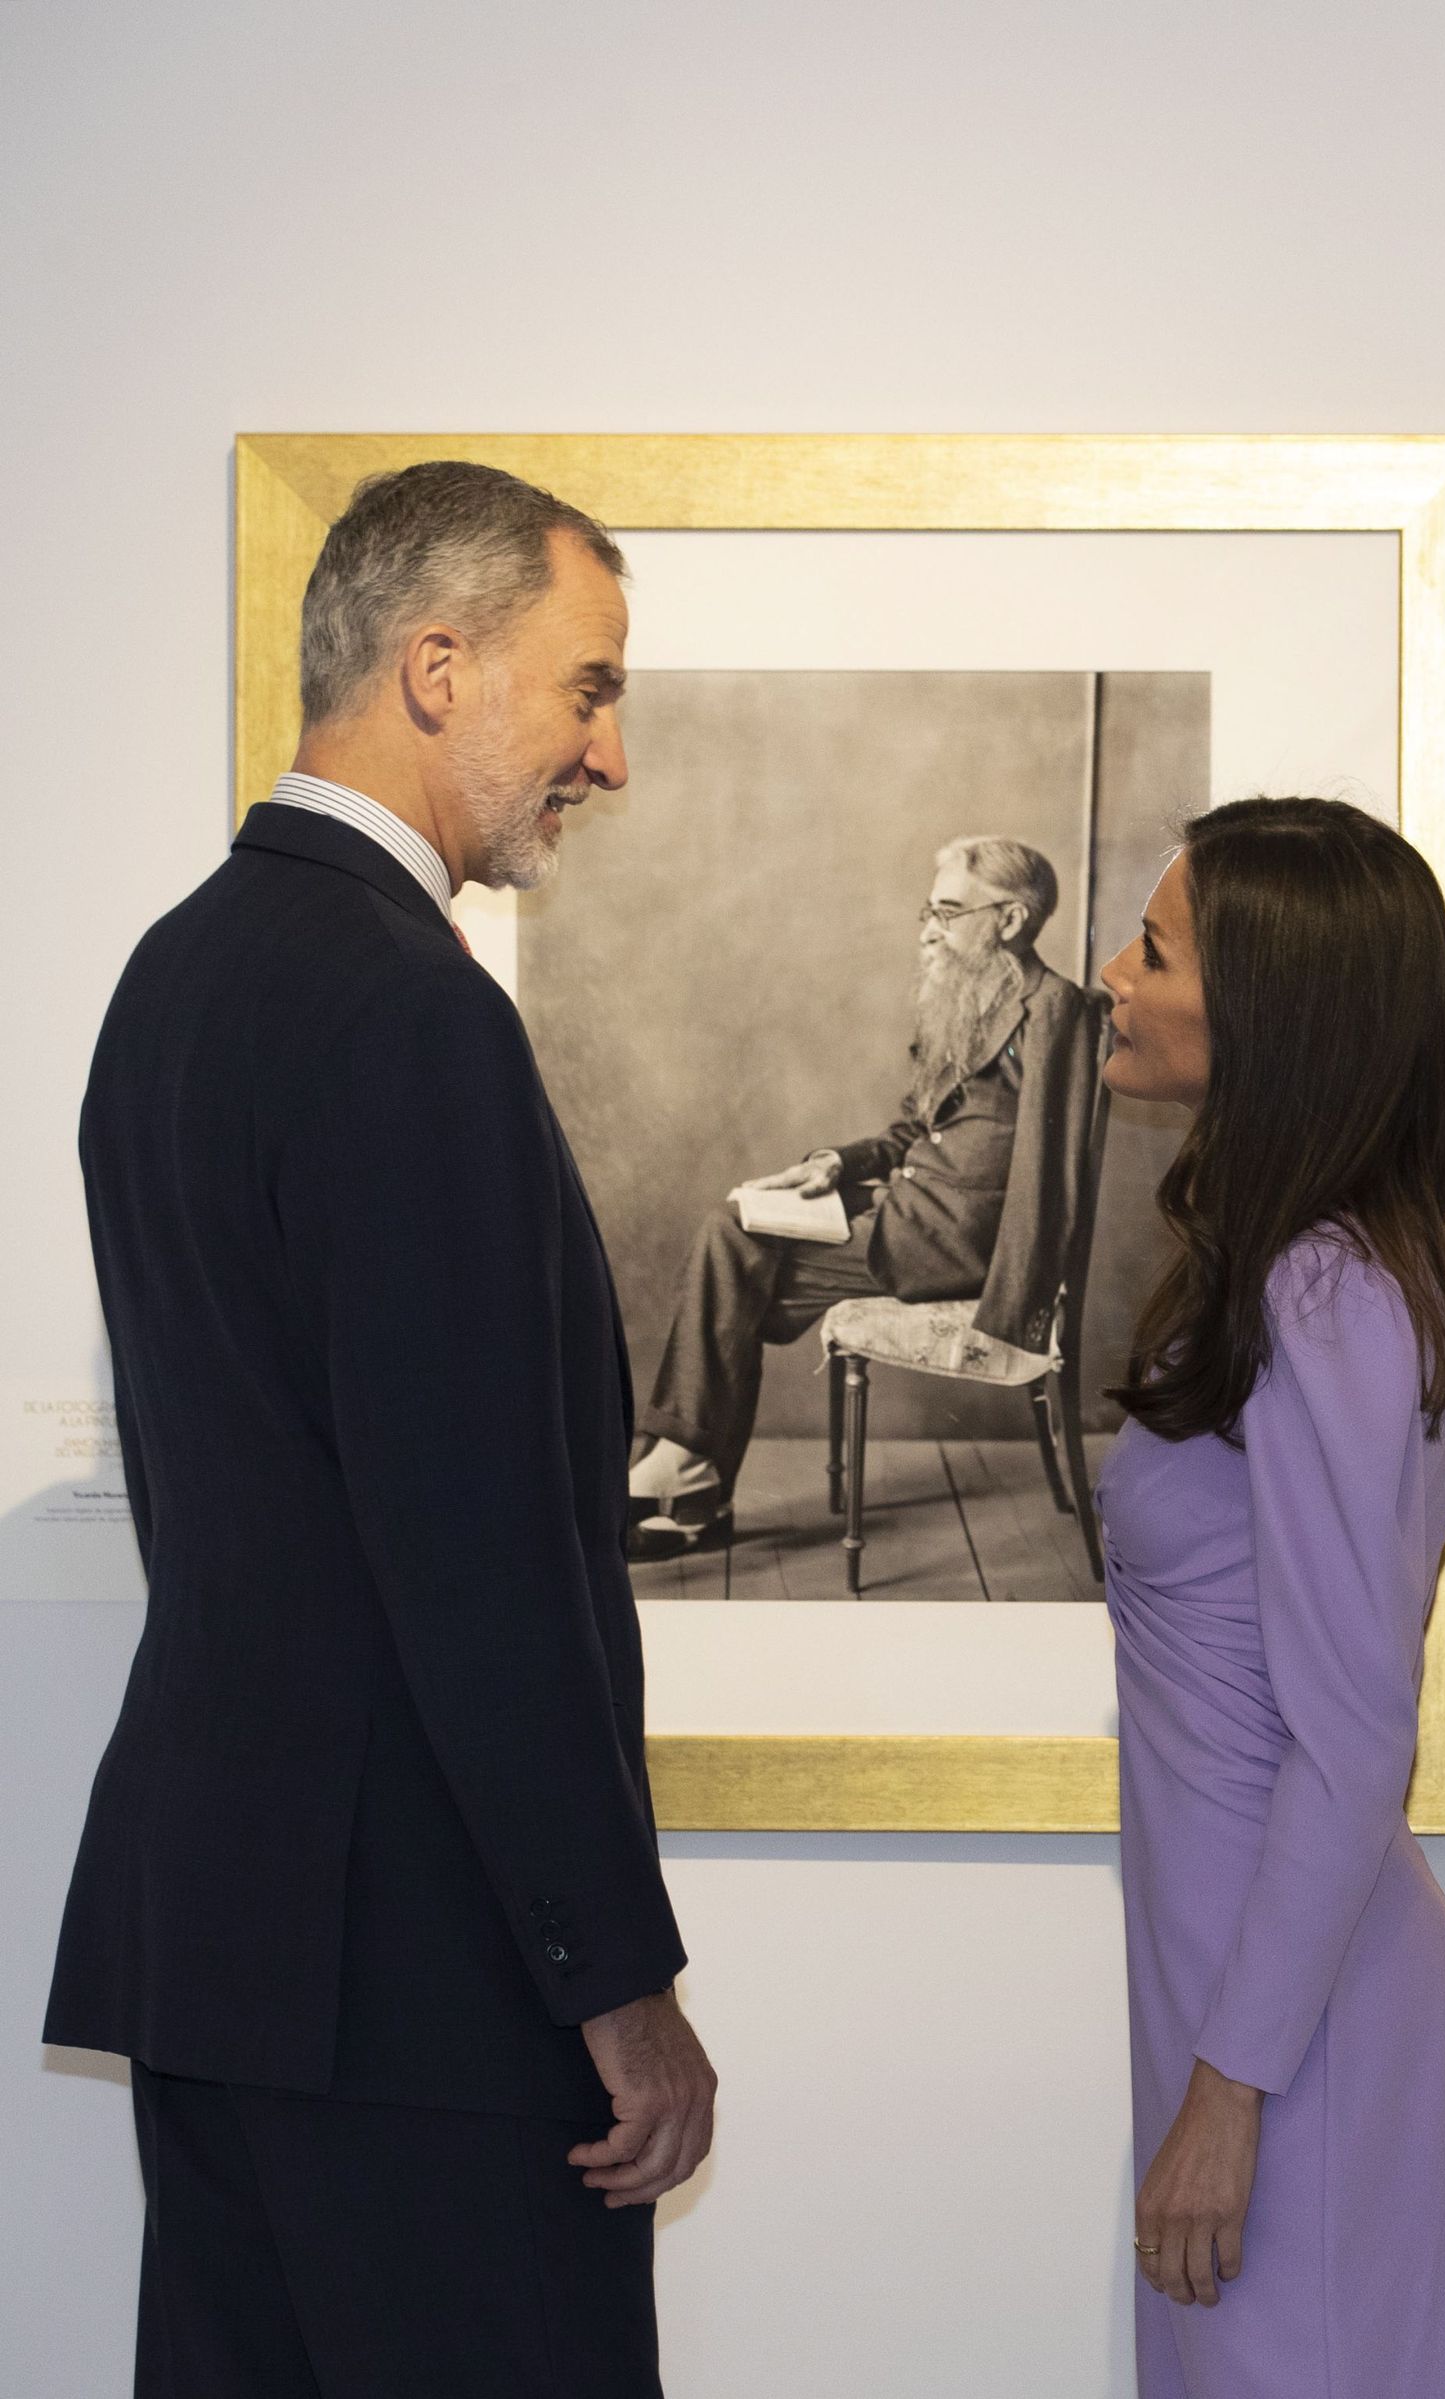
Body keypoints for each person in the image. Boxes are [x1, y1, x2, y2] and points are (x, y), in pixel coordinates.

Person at [44, 462, 716, 2399]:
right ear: (437, 668)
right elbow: (477, 1558)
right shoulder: (412, 1010)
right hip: (423, 1986)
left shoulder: (177, 972)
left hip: (228, 1953)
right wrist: (617, 1979)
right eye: (587, 686)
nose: (608, 753)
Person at [1096, 796, 1445, 2398]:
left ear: (1267, 1010)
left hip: (1294, 2043)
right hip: (1257, 2016)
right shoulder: (1302, 1275)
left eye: (1154, 948)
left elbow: (1354, 1737)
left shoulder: (1322, 1287)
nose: (1113, 974)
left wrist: (1231, 2087)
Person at [627, 837, 1104, 1560]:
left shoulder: (1052, 1008)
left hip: (958, 1244)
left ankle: (688, 1474)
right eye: (929, 912)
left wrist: (1022, 1299)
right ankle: (694, 1489)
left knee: (732, 1255)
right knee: (734, 1243)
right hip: (910, 1215)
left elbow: (1051, 1159)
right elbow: (915, 1129)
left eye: (949, 912)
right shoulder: (970, 998)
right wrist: (833, 1164)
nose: (929, 931)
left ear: (1010, 919)